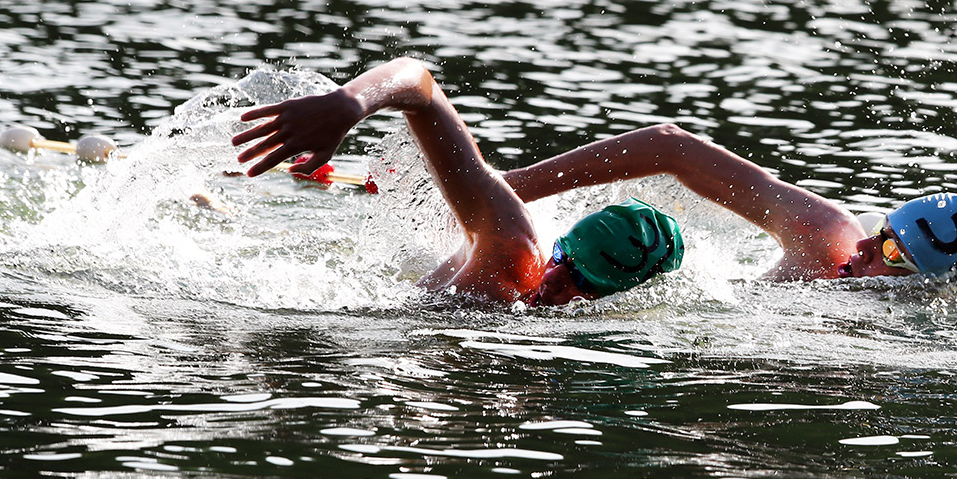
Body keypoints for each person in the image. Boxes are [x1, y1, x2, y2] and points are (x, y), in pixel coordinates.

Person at [232, 57, 683, 306]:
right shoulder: (512, 249)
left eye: (580, 281)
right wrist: (350, 103)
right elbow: (421, 87)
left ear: (617, 298)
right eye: (563, 255)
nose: (552, 280)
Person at [500, 124, 957, 282]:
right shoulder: (825, 239)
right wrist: (511, 187)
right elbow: (670, 146)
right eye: (883, 231)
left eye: (894, 254)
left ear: (936, 288)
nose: (868, 247)